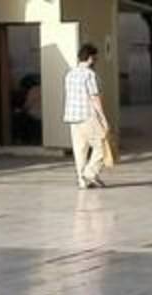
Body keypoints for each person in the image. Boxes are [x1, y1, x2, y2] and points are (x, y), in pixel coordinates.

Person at [63, 43, 109, 190]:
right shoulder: (89, 74)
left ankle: (82, 180)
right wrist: (103, 118)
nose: (96, 61)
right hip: (88, 116)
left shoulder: (70, 74)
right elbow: (94, 97)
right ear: (90, 58)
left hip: (72, 117)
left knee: (80, 150)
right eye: (95, 58)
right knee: (102, 145)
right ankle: (90, 173)